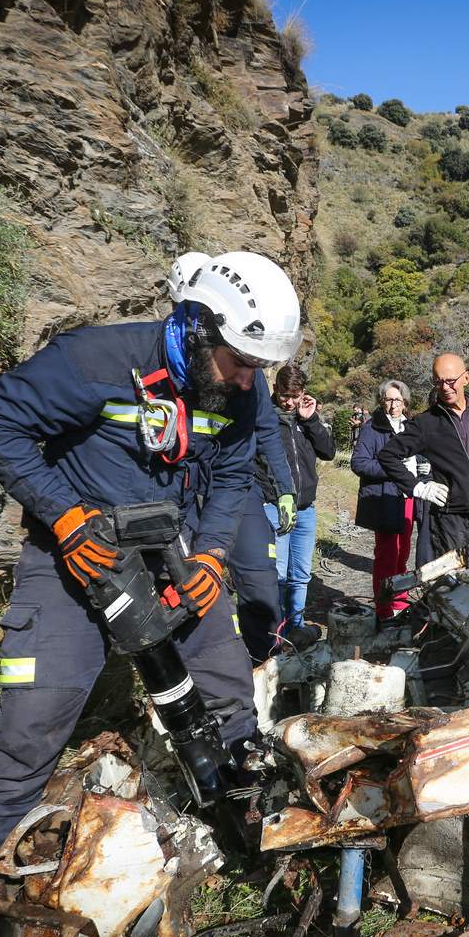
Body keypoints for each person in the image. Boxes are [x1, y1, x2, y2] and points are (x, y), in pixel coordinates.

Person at [0, 251, 302, 937]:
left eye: (259, 367)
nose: (249, 380)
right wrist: (64, 516)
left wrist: (210, 554)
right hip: (72, 559)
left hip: (172, 554)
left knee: (228, 692)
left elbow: (233, 473)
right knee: (34, 721)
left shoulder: (241, 388)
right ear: (197, 328)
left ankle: (243, 829)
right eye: (239, 362)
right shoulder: (94, 360)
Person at [168, 252, 295, 664]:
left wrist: (285, 489)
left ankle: (267, 662)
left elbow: (267, 430)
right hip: (182, 490)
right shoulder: (166, 363)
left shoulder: (246, 372)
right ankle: (206, 668)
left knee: (260, 580)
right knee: (190, 584)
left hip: (239, 487)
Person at [377, 354, 469, 590]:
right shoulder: (426, 423)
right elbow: (388, 455)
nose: (445, 387)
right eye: (438, 381)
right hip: (450, 520)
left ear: (466, 378)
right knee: (455, 587)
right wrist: (417, 487)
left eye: (451, 380)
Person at [256, 365, 333, 645]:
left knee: (300, 575)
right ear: (275, 389)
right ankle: (275, 634)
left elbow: (328, 452)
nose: (289, 402)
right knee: (277, 574)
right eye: (285, 395)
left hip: (306, 508)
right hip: (273, 506)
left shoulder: (306, 419)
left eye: (295, 395)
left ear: (303, 393)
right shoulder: (264, 419)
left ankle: (296, 628)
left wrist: (311, 421)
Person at [351, 380, 427, 619]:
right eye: (389, 399)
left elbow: (421, 455)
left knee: (403, 553)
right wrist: (393, 470)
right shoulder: (371, 428)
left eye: (398, 400)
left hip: (408, 498)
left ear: (406, 402)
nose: (394, 405)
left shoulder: (411, 427)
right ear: (381, 401)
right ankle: (384, 609)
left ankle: (400, 602)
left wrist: (422, 465)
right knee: (387, 556)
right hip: (385, 498)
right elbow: (359, 463)